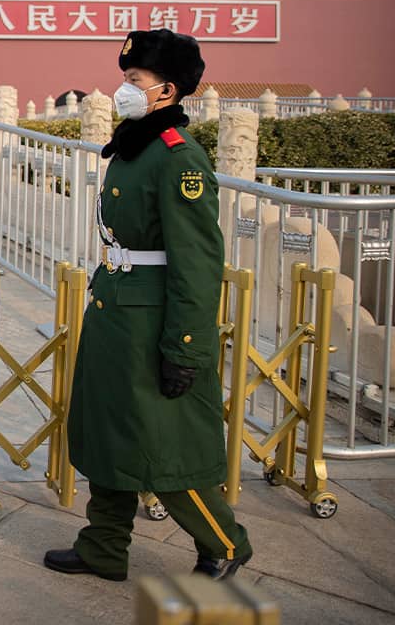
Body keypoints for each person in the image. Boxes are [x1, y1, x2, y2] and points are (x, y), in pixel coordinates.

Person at [44, 29, 252, 583]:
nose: (124, 88)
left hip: (151, 321)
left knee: (162, 447)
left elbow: (197, 261)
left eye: (135, 80)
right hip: (116, 308)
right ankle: (104, 547)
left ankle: (224, 542)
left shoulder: (178, 160)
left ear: (168, 91)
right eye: (126, 78)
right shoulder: (136, 145)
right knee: (110, 433)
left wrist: (185, 345)